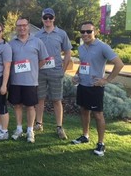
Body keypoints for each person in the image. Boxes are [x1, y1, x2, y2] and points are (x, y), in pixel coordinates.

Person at [71, 21, 124, 156]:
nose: (85, 34)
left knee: (98, 115)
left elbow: (119, 64)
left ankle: (101, 144)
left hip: (95, 87)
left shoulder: (102, 47)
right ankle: (85, 136)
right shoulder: (81, 48)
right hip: (83, 85)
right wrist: (77, 75)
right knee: (83, 110)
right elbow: (83, 64)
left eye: (89, 31)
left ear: (95, 32)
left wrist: (106, 80)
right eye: (83, 32)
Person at [8, 17, 48, 143]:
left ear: (28, 26)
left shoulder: (37, 42)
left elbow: (43, 59)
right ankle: (19, 129)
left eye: (24, 25)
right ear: (16, 27)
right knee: (17, 105)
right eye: (19, 25)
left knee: (30, 106)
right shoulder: (11, 43)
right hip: (15, 81)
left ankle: (30, 130)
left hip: (30, 81)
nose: (22, 28)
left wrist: (34, 69)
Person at [34, 8, 72, 139]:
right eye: (45, 18)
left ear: (54, 18)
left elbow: (68, 52)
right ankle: (39, 123)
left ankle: (59, 127)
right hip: (41, 71)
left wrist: (63, 69)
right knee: (40, 99)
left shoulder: (61, 34)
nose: (48, 20)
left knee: (57, 99)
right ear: (42, 19)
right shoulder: (37, 35)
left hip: (56, 71)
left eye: (50, 17)